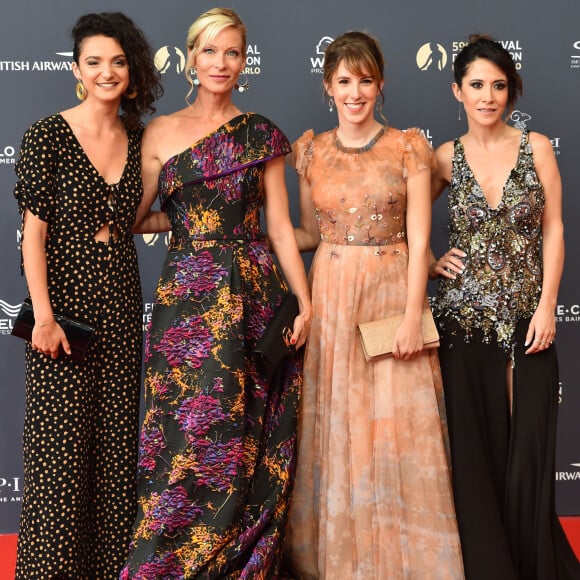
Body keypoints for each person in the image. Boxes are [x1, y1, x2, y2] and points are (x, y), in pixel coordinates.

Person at [120, 8, 312, 579]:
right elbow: (137, 216)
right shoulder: (159, 132)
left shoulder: (261, 133)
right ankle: (171, 561)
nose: (221, 63)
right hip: (188, 299)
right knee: (186, 427)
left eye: (232, 52)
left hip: (255, 296)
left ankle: (239, 556)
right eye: (210, 52)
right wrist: (186, 228)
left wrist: (305, 303)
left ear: (244, 60)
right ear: (190, 59)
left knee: (250, 427)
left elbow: (280, 227)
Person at [284, 31, 464, 579]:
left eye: (365, 80)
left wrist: (414, 314)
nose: (355, 92)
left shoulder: (408, 147)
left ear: (380, 83)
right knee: (341, 425)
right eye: (344, 81)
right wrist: (247, 235)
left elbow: (417, 236)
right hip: (333, 294)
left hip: (391, 293)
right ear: (328, 87)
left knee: (397, 428)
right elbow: (311, 233)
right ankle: (341, 561)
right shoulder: (309, 150)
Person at [13, 12, 162, 579]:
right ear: (77, 69)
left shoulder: (142, 138)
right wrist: (45, 318)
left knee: (113, 455)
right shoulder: (47, 134)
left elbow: (140, 218)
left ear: (132, 69)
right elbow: (34, 235)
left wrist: (211, 224)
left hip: (121, 306)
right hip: (63, 311)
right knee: (57, 461)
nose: (107, 72)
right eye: (95, 62)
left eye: (118, 62)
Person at [430, 34, 580, 579]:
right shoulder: (444, 157)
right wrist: (426, 262)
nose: (488, 96)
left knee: (530, 452)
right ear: (457, 91)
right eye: (476, 85)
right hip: (461, 323)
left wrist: (548, 305)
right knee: (477, 452)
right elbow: (396, 221)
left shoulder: (536, 146)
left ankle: (533, 563)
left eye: (498, 85)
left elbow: (555, 228)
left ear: (510, 91)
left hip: (526, 317)